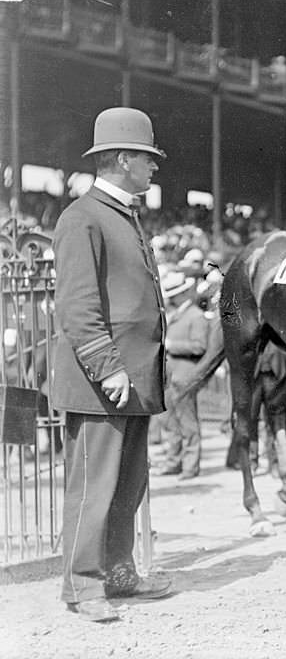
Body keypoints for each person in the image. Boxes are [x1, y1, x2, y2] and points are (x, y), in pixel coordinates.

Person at [52, 107, 173, 622]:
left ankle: (120, 575)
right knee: (94, 487)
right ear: (123, 159)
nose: (154, 169)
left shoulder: (121, 215)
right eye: (147, 159)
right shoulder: (82, 217)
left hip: (134, 377)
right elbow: (78, 308)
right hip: (103, 380)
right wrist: (109, 366)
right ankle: (81, 587)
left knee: (128, 486)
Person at [157, 270, 212, 480]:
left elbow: (199, 346)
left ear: (182, 294)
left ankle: (190, 467)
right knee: (169, 421)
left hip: (185, 376)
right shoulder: (177, 314)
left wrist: (172, 346)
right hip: (171, 377)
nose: (170, 298)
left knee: (188, 422)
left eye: (173, 294)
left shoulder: (196, 316)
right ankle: (174, 462)